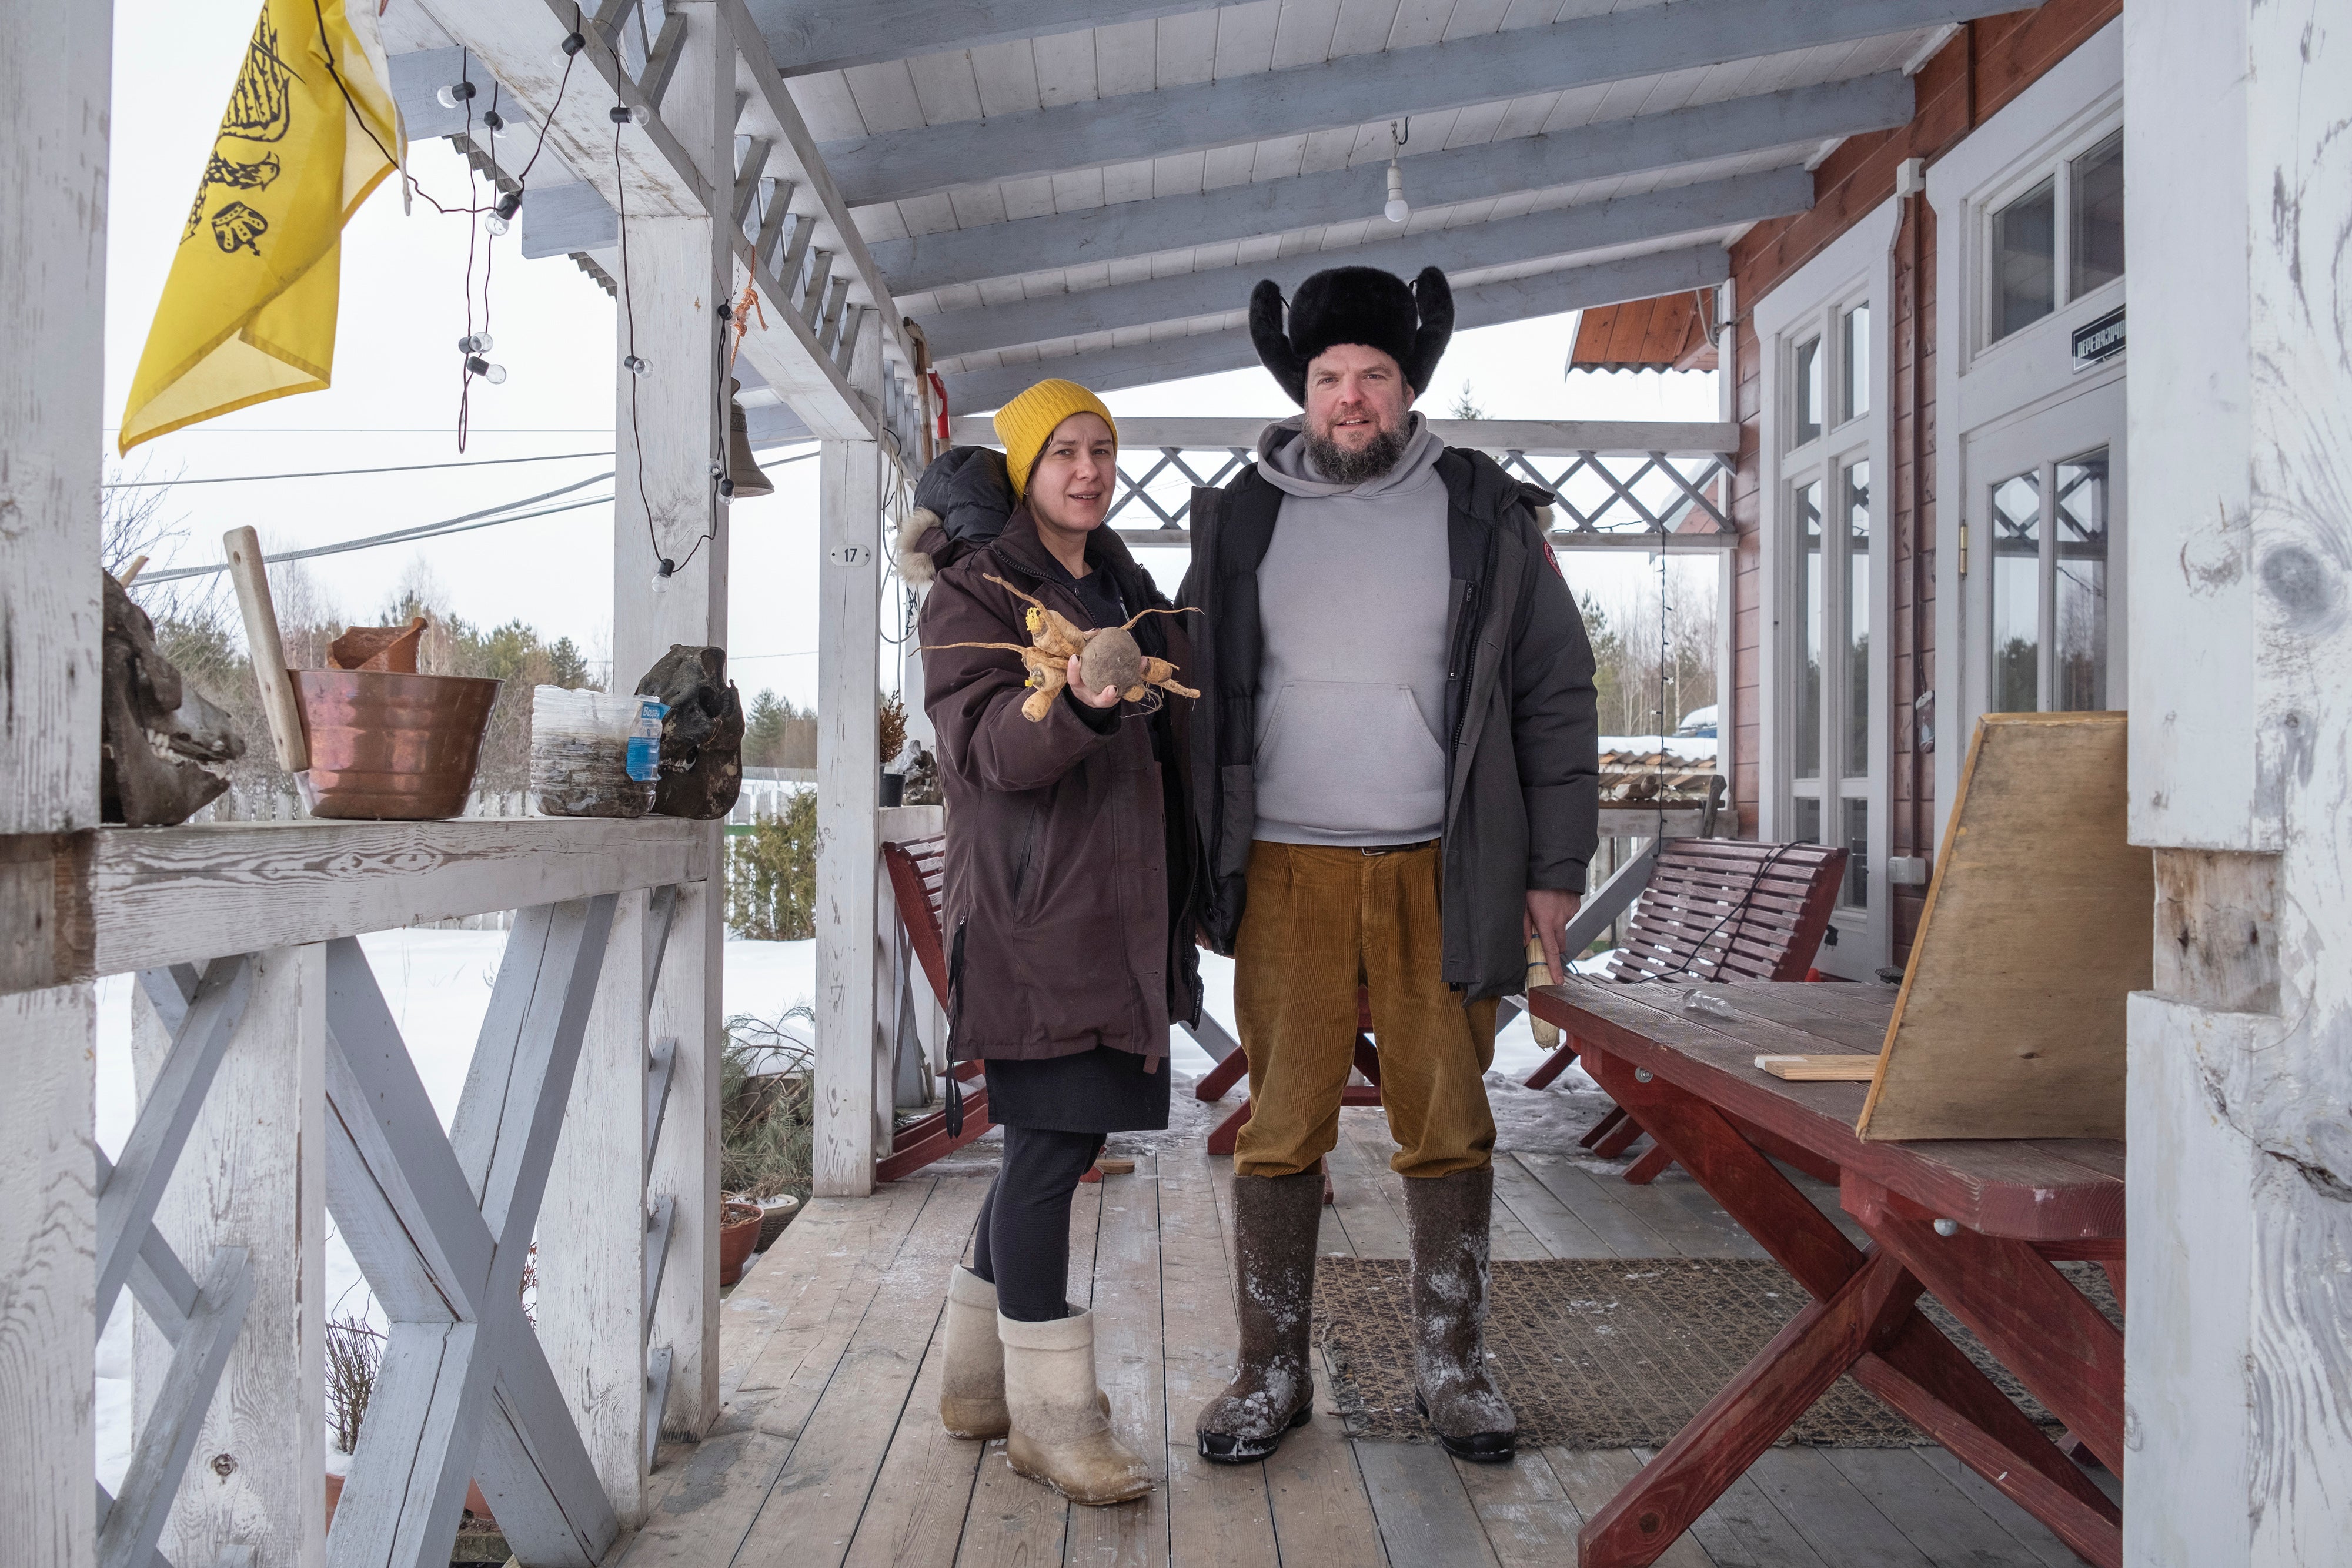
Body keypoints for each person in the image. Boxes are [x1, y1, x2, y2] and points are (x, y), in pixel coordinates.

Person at [1182, 266, 1599, 1465]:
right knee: (1280, 1122)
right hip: (1284, 871)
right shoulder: (1239, 516)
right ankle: (1269, 1374)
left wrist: (1555, 864)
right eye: (1327, 378)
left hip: (1443, 863)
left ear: (1407, 386)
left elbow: (1552, 693)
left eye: (1372, 375)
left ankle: (1454, 1365)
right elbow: (1186, 691)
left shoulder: (1483, 511)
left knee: (1446, 1116)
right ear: (1298, 389)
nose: (1350, 398)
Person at [911, 377, 1204, 1506]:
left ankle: (981, 1386)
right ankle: (1050, 1420)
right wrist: (1075, 703)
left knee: (1061, 1139)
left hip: (1117, 911)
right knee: (1046, 1151)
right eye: (1063, 454)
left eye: (1101, 450)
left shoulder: (1120, 582)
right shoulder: (974, 596)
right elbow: (987, 751)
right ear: (1025, 471)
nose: (1087, 470)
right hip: (1039, 916)